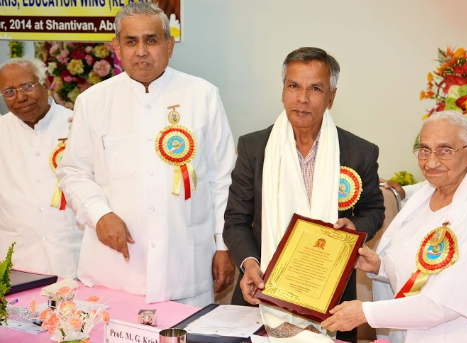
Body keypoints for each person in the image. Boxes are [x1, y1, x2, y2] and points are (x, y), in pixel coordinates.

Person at [57, 2, 235, 306]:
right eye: (131, 41)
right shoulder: (93, 101)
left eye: (151, 40)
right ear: (117, 46)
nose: (141, 50)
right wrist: (99, 214)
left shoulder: (202, 95)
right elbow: (73, 171)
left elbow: (222, 178)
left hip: (186, 272)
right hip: (115, 274)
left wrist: (222, 245)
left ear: (169, 45)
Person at [223, 47, 384, 342]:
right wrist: (249, 264)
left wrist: (355, 229)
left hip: (331, 301)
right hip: (260, 295)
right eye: (293, 86)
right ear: (283, 90)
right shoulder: (253, 148)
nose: (302, 98)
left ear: (331, 97)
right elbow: (235, 220)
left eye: (315, 88)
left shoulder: (359, 152)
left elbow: (374, 209)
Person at [321, 111, 467, 342]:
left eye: (445, 150)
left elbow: (442, 304)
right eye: (424, 150)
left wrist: (365, 312)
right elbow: (421, 272)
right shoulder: (424, 197)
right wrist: (381, 267)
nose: (432, 162)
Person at [0, 57, 83, 278]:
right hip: (17, 262)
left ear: (45, 83)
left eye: (27, 86)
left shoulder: (77, 125)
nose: (20, 97)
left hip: (73, 259)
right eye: (8, 91)